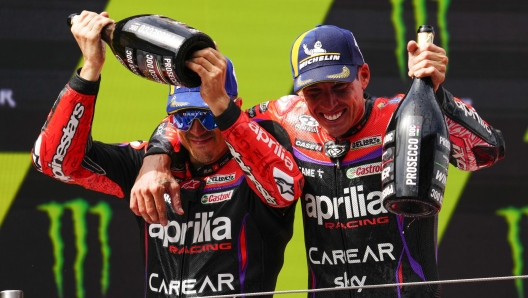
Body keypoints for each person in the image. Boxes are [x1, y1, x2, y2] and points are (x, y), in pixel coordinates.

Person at [136, 25, 505, 297]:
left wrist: (439, 95)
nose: (329, 105)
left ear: (363, 77)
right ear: (298, 90)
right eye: (315, 92)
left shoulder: (404, 116)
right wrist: (157, 154)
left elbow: (485, 153)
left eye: (340, 88)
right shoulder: (283, 118)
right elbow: (204, 117)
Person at [31, 11, 304, 297]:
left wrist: (222, 109)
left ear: (232, 106)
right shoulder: (145, 165)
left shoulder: (258, 162)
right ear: (170, 116)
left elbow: (285, 188)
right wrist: (90, 70)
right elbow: (53, 162)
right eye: (184, 116)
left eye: (210, 115)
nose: (197, 129)